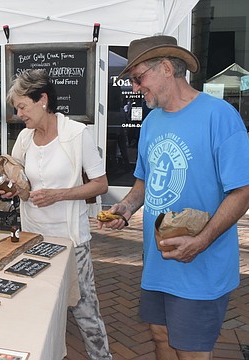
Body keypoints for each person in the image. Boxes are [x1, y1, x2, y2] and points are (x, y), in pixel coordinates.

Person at [99, 35, 249, 359]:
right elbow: (143, 183)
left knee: (191, 351)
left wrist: (202, 240)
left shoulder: (219, 117)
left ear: (166, 68)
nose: (135, 87)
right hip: (158, 262)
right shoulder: (152, 121)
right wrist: (124, 208)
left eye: (139, 78)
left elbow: (243, 190)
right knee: (160, 335)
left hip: (200, 263)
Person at [4, 69, 112, 359]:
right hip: (34, 241)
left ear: (42, 100)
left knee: (85, 311)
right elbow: (23, 183)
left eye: (22, 106)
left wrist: (60, 194)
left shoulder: (77, 134)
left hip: (71, 242)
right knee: (38, 310)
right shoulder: (25, 139)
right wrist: (13, 190)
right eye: (16, 108)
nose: (18, 114)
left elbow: (100, 184)